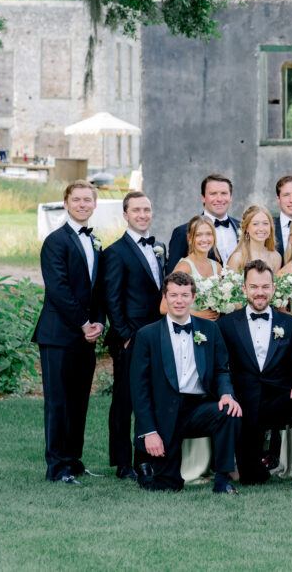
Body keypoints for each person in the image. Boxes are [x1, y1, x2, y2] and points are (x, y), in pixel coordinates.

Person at [129, 271, 243, 494]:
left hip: (197, 408)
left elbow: (221, 369)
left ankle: (222, 481)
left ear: (193, 297)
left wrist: (226, 394)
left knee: (229, 412)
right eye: (173, 295)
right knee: (167, 486)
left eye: (184, 295)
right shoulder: (147, 335)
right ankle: (146, 466)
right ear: (165, 297)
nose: (179, 301)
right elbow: (139, 389)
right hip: (164, 413)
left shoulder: (210, 329)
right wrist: (149, 432)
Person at [216, 260, 292, 487]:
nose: (259, 293)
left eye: (265, 287)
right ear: (244, 289)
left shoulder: (290, 324)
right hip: (243, 406)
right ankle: (251, 462)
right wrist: (227, 394)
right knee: (253, 479)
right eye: (254, 287)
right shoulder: (226, 325)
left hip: (279, 400)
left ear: (273, 289)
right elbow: (221, 367)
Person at [32, 180, 105, 485]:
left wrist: (99, 321)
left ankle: (74, 461)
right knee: (59, 402)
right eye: (76, 200)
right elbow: (58, 289)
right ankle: (57, 467)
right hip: (58, 335)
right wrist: (83, 323)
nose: (82, 204)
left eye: (87, 200)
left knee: (79, 402)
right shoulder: (55, 241)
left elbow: (97, 289)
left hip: (85, 336)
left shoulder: (95, 242)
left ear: (94, 204)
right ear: (66, 204)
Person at [102, 191, 166, 480]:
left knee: (150, 398)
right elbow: (111, 298)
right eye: (136, 210)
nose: (143, 215)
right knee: (124, 401)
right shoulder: (115, 252)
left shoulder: (159, 247)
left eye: (147, 209)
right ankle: (122, 462)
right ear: (125, 215)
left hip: (157, 335)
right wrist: (127, 335)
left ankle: (145, 457)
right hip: (130, 338)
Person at [167, 174, 239, 269]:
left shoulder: (243, 227)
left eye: (224, 193)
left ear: (231, 197)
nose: (219, 199)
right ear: (203, 197)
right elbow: (173, 278)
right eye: (213, 194)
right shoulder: (183, 232)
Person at [162, 215, 222, 320]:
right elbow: (163, 307)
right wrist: (198, 315)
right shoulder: (184, 267)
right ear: (190, 238)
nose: (204, 239)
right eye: (198, 235)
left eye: (208, 234)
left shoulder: (217, 267)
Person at [226, 205, 282, 274]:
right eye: (255, 224)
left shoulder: (276, 257)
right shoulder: (237, 258)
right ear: (246, 228)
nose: (261, 229)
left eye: (265, 223)